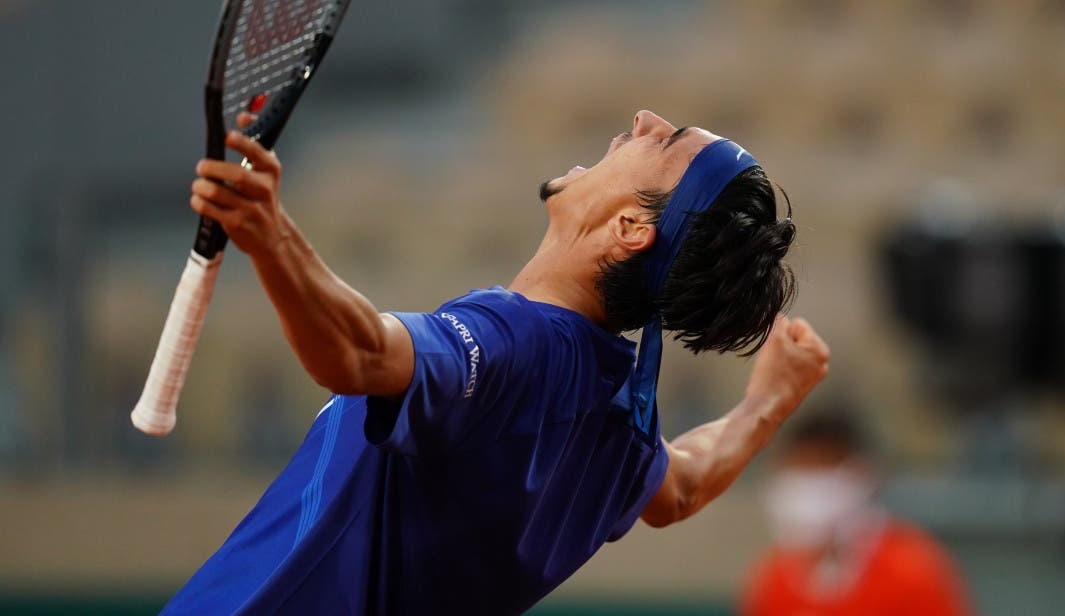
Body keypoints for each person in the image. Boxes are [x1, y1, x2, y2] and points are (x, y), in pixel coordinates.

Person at [162, 109, 831, 614]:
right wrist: (767, 402)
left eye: (665, 141)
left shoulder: (519, 342)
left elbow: (361, 355)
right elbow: (681, 486)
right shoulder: (617, 414)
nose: (644, 119)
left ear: (631, 229)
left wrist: (272, 234)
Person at [740, 408, 971, 616]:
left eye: (820, 472)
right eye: (799, 473)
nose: (806, 495)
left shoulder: (912, 570)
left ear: (860, 475)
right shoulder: (774, 578)